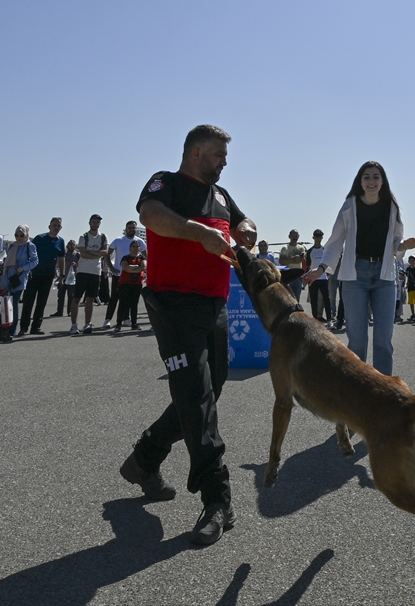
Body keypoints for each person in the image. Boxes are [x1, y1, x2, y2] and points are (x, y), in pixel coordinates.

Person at [120, 124, 257, 545]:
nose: (224, 162)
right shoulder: (167, 183)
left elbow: (242, 219)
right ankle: (218, 499)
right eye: (218, 155)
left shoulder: (221, 195)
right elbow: (151, 216)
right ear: (196, 152)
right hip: (173, 305)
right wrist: (201, 234)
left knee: (206, 389)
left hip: (213, 305)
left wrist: (246, 228)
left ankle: (144, 459)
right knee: (196, 398)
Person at [304, 161, 415, 372]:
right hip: (355, 276)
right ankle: (358, 393)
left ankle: (384, 394)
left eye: (376, 176)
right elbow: (335, 241)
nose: (371, 181)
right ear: (360, 181)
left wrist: (405, 245)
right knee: (357, 342)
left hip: (384, 276)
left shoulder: (391, 207)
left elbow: (396, 242)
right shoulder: (350, 205)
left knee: (383, 340)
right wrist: (321, 269)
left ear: (383, 181)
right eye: (366, 177)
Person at [20, 217, 65, 336]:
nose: (56, 227)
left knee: (41, 302)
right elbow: (29, 252)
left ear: (61, 228)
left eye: (58, 226)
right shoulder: (40, 238)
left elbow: (61, 258)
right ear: (49, 226)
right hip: (34, 274)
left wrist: (62, 275)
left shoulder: (61, 241)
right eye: (54, 225)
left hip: (48, 275)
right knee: (28, 301)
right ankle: (23, 327)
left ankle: (36, 327)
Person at [0, 225, 39, 342]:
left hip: (19, 277)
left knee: (14, 303)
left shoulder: (30, 245)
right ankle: (5, 328)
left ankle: (12, 330)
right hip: (8, 276)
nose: (19, 237)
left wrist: (24, 267)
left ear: (26, 234)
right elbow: (8, 260)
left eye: (22, 235)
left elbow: (35, 261)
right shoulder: (12, 245)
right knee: (6, 303)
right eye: (17, 235)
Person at [70, 215, 108, 335]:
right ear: (89, 223)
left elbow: (105, 252)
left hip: (95, 272)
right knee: (76, 298)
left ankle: (87, 323)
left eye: (97, 222)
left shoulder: (103, 237)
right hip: (83, 271)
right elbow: (83, 254)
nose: (95, 224)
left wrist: (90, 251)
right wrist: (96, 254)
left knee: (90, 299)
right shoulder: (84, 236)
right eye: (93, 222)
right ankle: (74, 325)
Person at [105, 221, 147, 328]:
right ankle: (107, 319)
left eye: (133, 228)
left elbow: (146, 258)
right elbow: (107, 254)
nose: (131, 229)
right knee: (114, 298)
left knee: (130, 300)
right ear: (126, 228)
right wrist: (111, 267)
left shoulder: (140, 242)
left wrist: (141, 269)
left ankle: (126, 319)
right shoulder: (119, 240)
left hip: (134, 278)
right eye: (129, 228)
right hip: (118, 275)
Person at [115, 241, 146, 330]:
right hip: (125, 283)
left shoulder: (142, 257)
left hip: (137, 284)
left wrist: (131, 268)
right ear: (130, 248)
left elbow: (143, 267)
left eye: (137, 246)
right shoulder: (125, 257)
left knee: (134, 304)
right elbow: (125, 267)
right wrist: (137, 267)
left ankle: (134, 324)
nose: (135, 248)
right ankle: (118, 325)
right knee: (123, 304)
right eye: (133, 246)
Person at [306, 229, 332, 322]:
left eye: (320, 237)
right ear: (313, 237)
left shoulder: (324, 250)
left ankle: (329, 319)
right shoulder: (310, 251)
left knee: (326, 299)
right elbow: (308, 266)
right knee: (314, 300)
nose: (318, 239)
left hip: (323, 278)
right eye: (316, 237)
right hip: (313, 279)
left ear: (322, 238)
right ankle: (315, 319)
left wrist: (328, 274)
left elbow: (328, 263)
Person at [279, 229, 307, 301]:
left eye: (296, 236)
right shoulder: (285, 248)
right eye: (293, 236)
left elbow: (300, 260)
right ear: (289, 236)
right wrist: (294, 259)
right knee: (287, 298)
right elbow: (282, 261)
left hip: (298, 276)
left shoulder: (301, 248)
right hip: (288, 276)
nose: (294, 237)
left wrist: (288, 260)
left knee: (297, 298)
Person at [55, 239, 79, 319]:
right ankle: (59, 311)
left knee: (71, 296)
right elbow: (58, 264)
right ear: (67, 245)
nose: (71, 246)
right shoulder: (63, 255)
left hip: (72, 279)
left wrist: (76, 264)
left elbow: (81, 264)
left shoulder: (77, 255)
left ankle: (70, 311)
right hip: (63, 277)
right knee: (60, 295)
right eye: (70, 244)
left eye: (73, 244)